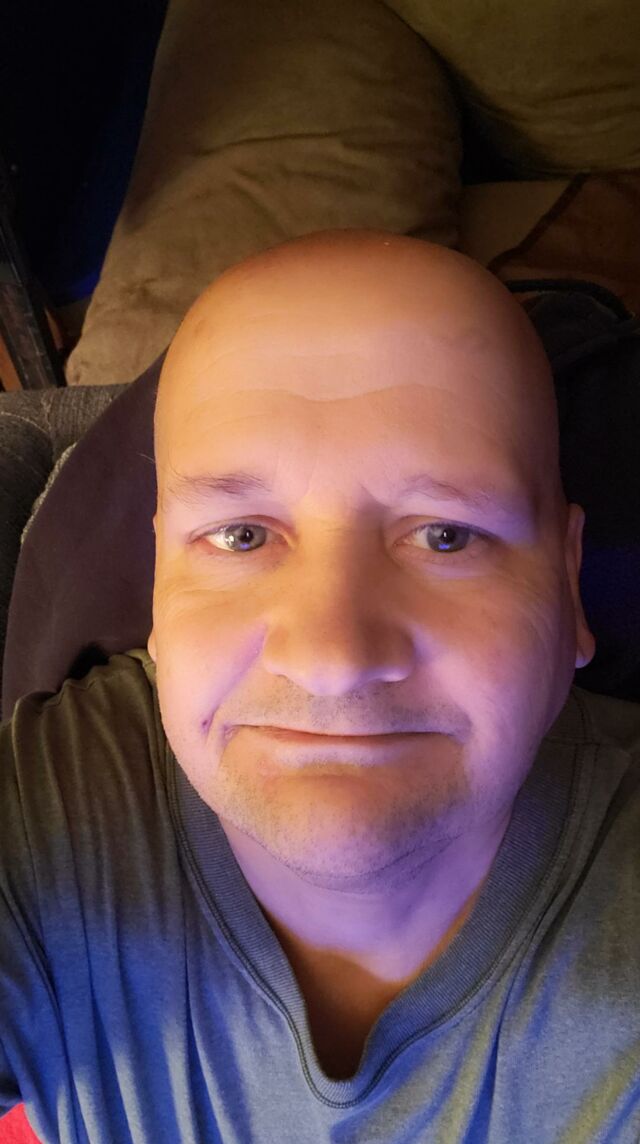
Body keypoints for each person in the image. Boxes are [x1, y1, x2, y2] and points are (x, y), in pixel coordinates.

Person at [1, 229, 638, 1144]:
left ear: (569, 583)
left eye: (446, 535)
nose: (332, 657)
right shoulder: (42, 822)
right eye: (242, 536)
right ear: (158, 586)